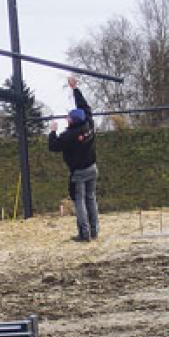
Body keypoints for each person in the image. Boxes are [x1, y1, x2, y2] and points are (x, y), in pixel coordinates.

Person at [49, 76, 99, 242]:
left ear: (73, 121)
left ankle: (84, 235)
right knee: (91, 198)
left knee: (80, 202)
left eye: (69, 118)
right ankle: (94, 231)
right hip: (92, 168)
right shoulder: (89, 124)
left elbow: (53, 146)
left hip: (78, 172)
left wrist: (52, 131)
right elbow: (84, 106)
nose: (67, 119)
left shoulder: (69, 136)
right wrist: (75, 88)